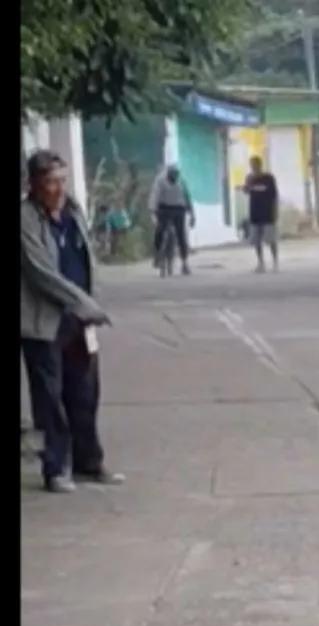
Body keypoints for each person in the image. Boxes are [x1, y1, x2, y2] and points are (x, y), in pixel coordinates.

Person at [20, 150, 124, 493]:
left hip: (79, 320)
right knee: (50, 398)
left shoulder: (73, 212)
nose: (58, 188)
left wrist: (89, 303)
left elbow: (85, 257)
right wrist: (84, 303)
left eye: (62, 180)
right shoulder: (26, 219)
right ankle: (55, 468)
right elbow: (40, 272)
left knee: (85, 392)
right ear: (33, 184)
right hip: (44, 320)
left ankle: (88, 462)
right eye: (50, 181)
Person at [148, 164, 195, 275]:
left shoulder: (181, 182)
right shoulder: (160, 181)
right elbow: (155, 196)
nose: (173, 180)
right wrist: (152, 212)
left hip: (179, 209)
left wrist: (192, 214)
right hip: (164, 208)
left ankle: (185, 263)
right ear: (167, 175)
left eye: (175, 177)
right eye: (171, 177)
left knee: (181, 235)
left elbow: (187, 197)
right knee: (159, 231)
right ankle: (158, 255)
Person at [242, 156, 279, 273]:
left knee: (271, 239)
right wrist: (247, 184)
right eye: (251, 165)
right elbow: (246, 191)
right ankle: (261, 262)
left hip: (267, 213)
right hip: (255, 213)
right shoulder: (249, 178)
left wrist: (275, 210)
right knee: (256, 240)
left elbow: (274, 195)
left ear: (260, 165)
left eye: (254, 164)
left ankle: (275, 262)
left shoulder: (268, 178)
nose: (253, 167)